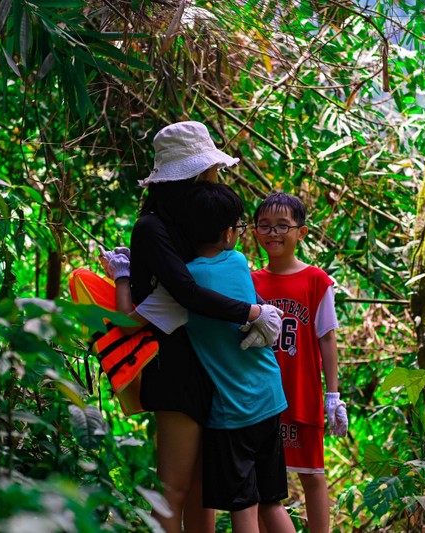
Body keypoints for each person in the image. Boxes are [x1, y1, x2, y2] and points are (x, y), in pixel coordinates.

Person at [101, 121, 282, 533]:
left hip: (210, 363)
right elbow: (184, 290)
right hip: (176, 366)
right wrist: (251, 313)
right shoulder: (152, 227)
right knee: (175, 486)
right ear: (195, 173)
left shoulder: (195, 223)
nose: (217, 175)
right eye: (211, 169)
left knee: (205, 487)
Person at [250, 191, 348, 533]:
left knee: (312, 474)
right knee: (265, 483)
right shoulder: (250, 281)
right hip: (262, 398)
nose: (273, 233)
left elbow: (327, 338)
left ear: (301, 232)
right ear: (253, 231)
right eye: (264, 226)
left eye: (282, 226)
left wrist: (333, 396)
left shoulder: (317, 281)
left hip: (302, 393)